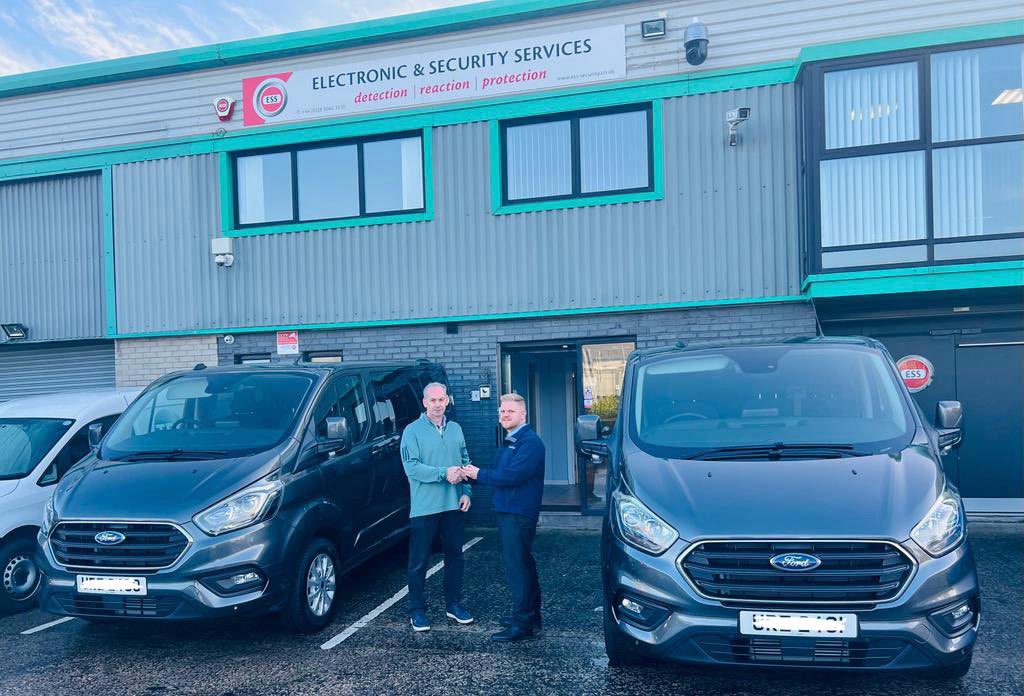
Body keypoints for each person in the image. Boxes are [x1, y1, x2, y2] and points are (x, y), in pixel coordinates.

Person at [461, 392, 545, 642]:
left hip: (517, 514)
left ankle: (522, 625)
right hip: (509, 511)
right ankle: (530, 616)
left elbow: (511, 477)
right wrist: (471, 475)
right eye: (501, 411)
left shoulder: (530, 443)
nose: (504, 415)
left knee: (518, 569)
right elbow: (500, 472)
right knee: (524, 566)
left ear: (523, 414)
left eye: (510, 411)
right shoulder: (511, 441)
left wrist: (477, 474)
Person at [400, 382, 473, 632]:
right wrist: (444, 473)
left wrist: (466, 492)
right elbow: (412, 467)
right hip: (424, 508)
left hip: (453, 505)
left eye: (442, 400)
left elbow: (464, 463)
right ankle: (417, 611)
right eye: (433, 400)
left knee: (455, 557)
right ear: (424, 403)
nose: (438, 404)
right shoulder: (412, 431)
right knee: (419, 562)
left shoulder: (455, 429)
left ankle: (453, 605)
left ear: (447, 401)